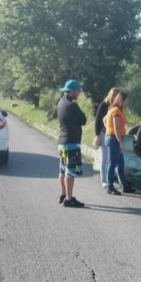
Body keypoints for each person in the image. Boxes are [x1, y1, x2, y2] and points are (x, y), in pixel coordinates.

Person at [57, 79, 87, 208]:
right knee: (70, 171)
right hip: (71, 142)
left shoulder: (60, 103)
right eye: (78, 91)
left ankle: (63, 194)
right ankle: (69, 199)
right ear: (73, 91)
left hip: (62, 141)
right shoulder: (72, 105)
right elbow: (83, 120)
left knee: (62, 169)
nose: (79, 93)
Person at [104, 90, 134, 195]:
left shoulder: (117, 110)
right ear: (121, 100)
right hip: (113, 139)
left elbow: (106, 120)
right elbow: (116, 127)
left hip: (115, 138)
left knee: (120, 163)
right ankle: (110, 186)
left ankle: (124, 185)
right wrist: (120, 142)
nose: (127, 103)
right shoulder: (115, 111)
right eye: (126, 101)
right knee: (112, 163)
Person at [94, 87, 119, 188]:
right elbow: (97, 121)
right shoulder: (104, 105)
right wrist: (97, 135)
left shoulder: (115, 106)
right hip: (103, 133)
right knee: (104, 156)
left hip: (110, 134)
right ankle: (103, 179)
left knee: (110, 157)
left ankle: (109, 177)